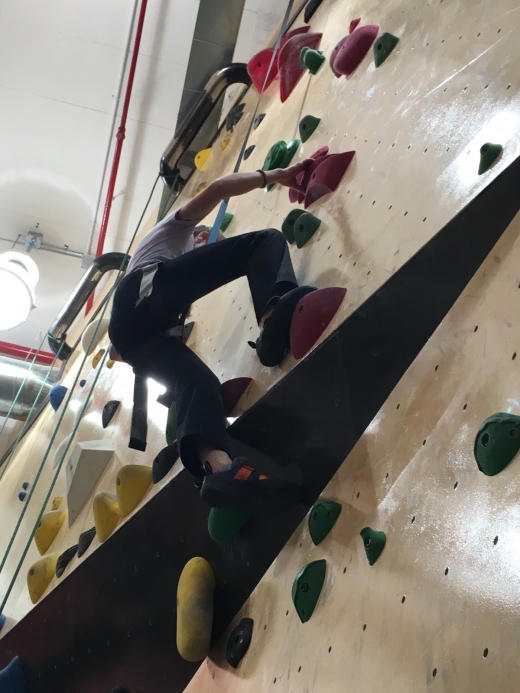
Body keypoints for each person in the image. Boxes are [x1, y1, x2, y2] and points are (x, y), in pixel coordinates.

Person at [108, 160, 316, 511]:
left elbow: (117, 349)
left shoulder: (173, 295)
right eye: (203, 238)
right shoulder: (171, 235)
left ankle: (220, 470)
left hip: (138, 340)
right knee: (264, 242)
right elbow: (219, 188)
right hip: (143, 296)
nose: (206, 243)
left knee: (200, 385)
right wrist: (275, 176)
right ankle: (272, 320)